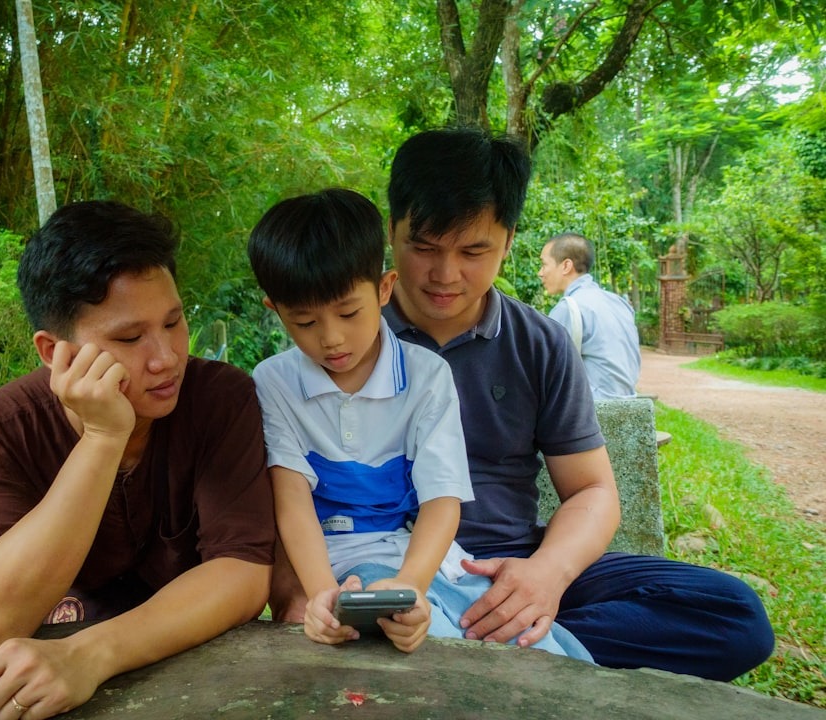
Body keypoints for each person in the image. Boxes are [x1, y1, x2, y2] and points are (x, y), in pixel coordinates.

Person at [271, 127, 773, 683]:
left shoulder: (539, 344)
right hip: (384, 568)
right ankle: (510, 653)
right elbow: (289, 492)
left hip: (512, 560)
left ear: (509, 241)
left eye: (473, 251)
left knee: (732, 615)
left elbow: (593, 490)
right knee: (378, 609)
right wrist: (299, 590)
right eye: (425, 247)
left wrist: (546, 576)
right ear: (392, 233)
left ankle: (496, 644)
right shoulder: (337, 333)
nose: (445, 274)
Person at [0, 200, 276, 719]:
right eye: (130, 338)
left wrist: (89, 655)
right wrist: (103, 436)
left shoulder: (219, 399)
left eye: (173, 322)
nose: (166, 357)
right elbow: (2, 618)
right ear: (53, 352)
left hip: (173, 615)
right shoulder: (1, 428)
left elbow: (242, 573)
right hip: (50, 613)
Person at [247, 188, 590, 660]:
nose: (331, 339)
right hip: (345, 571)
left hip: (432, 565)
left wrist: (411, 583)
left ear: (383, 289)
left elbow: (441, 499)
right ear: (276, 310)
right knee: (422, 643)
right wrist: (323, 594)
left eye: (348, 313)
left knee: (550, 648)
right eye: (304, 322)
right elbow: (291, 502)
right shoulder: (274, 382)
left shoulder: (427, 375)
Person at [537, 232, 641, 399]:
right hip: (629, 404)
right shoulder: (618, 302)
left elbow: (546, 371)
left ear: (566, 266)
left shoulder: (570, 307)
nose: (540, 273)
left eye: (544, 264)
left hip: (592, 408)